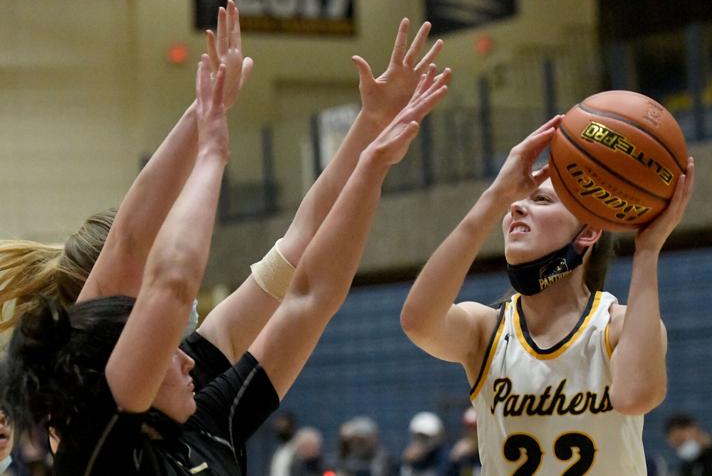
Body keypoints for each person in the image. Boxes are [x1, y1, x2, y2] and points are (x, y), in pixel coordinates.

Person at [0, 23, 450, 476]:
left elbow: (306, 279)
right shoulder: (91, 434)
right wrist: (209, 142)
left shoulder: (202, 412)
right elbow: (151, 264)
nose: (187, 354)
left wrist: (370, 142)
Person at [400, 114, 696, 475]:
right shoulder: (487, 329)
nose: (517, 207)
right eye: (515, 203)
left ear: (588, 233)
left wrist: (648, 252)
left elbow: (636, 396)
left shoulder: (617, 326)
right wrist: (495, 196)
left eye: (540, 200)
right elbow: (418, 321)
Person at [400, 412, 448, 476]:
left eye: (426, 437)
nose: (422, 441)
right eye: (419, 437)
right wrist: (406, 463)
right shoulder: (408, 461)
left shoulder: (445, 459)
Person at [446, 408, 480, 476]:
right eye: (469, 426)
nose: (472, 431)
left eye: (475, 426)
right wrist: (454, 460)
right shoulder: (461, 451)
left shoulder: (491, 447)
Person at [270, 411, 298, 476]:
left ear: (291, 428)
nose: (279, 428)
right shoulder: (280, 451)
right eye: (278, 425)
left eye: (283, 425)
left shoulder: (299, 450)